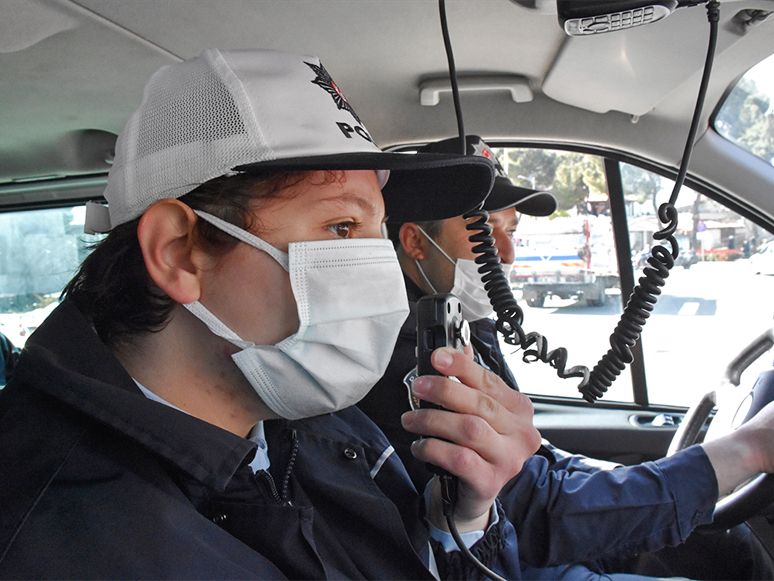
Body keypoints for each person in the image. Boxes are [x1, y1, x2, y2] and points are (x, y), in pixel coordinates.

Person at [0, 49, 543, 579]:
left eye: (377, 232)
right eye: (341, 228)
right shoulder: (63, 539)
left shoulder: (308, 414)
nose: (380, 272)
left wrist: (462, 518)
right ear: (178, 252)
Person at [358, 135, 774, 580]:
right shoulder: (403, 361)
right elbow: (533, 513)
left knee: (729, 548)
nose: (507, 252)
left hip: (522, 538)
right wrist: (748, 449)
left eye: (510, 230)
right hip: (505, 554)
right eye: (483, 231)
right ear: (415, 243)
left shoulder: (461, 320)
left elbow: (534, 459)